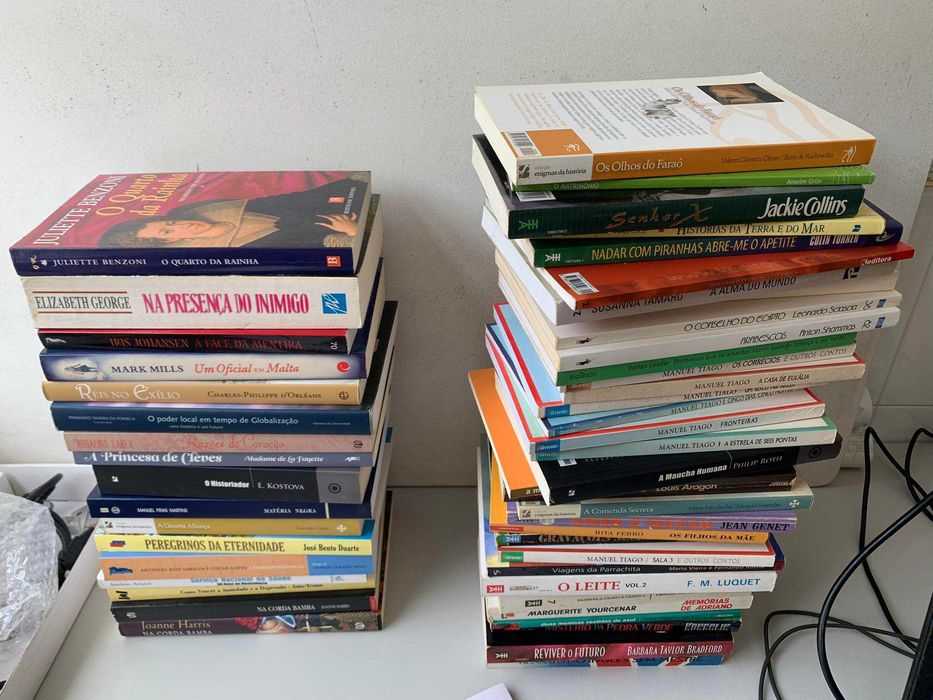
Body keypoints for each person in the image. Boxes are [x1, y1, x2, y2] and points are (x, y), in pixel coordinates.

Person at [98, 176, 366, 249]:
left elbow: (292, 200)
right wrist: (351, 232)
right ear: (171, 242)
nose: (182, 225)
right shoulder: (236, 251)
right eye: (169, 232)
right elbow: (322, 247)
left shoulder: (200, 209)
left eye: (172, 222)